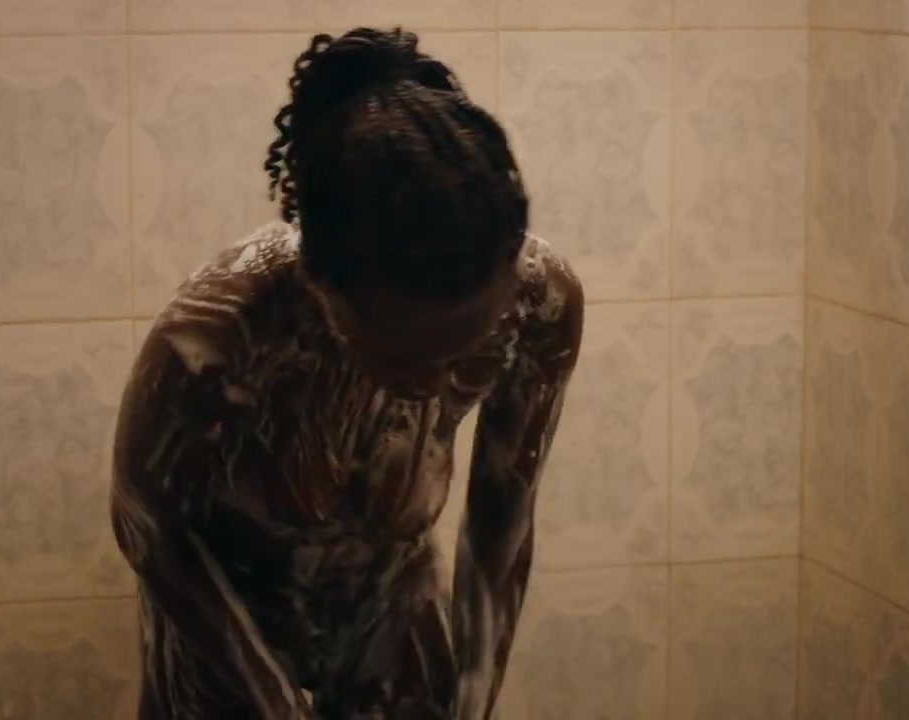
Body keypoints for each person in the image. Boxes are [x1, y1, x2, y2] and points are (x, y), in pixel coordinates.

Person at [110, 27, 584, 719]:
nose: (435, 387)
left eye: (466, 355)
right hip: (226, 619)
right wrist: (271, 702)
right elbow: (148, 524)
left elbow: (503, 515)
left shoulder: (539, 304)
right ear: (322, 287)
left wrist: (475, 696)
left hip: (391, 608)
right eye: (400, 359)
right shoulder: (224, 329)